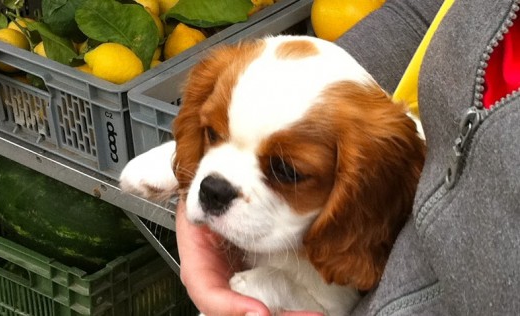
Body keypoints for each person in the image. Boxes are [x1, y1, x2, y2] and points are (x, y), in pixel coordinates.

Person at [175, 0, 520, 315]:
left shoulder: (372, 171)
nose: (216, 181)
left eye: (286, 171)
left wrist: (276, 288)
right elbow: (424, 10)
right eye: (214, 135)